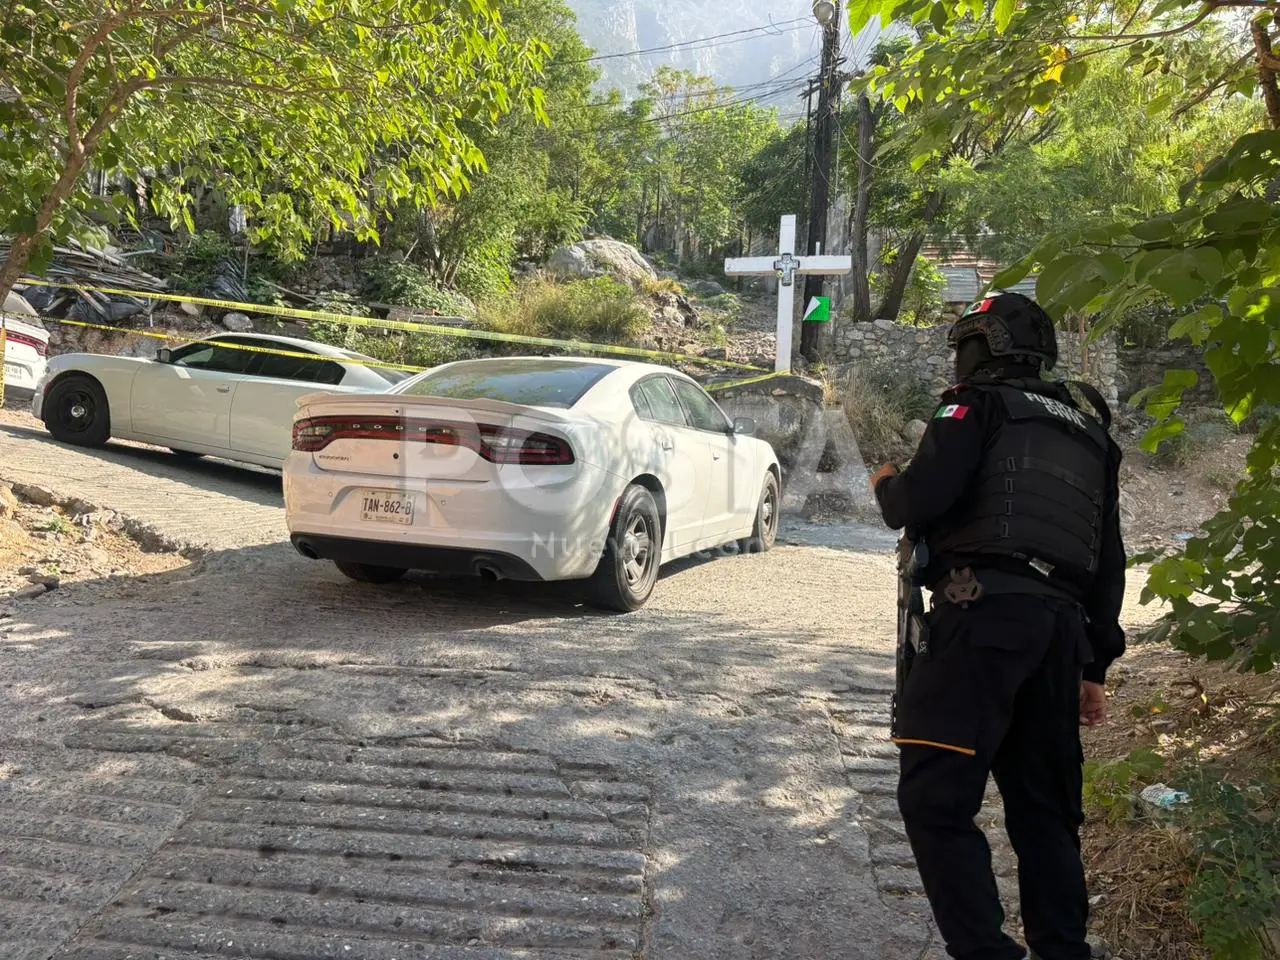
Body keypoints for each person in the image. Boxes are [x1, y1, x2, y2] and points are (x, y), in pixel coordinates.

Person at [868, 291, 1127, 960]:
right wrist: (1093, 667)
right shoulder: (1091, 429)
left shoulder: (973, 406)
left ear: (980, 348)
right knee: (1045, 815)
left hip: (980, 624)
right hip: (1059, 636)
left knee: (935, 798)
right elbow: (1108, 562)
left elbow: (917, 501)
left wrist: (886, 482)